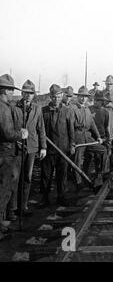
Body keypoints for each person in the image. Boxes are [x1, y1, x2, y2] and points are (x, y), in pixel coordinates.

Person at [7, 80, 46, 219]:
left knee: (27, 178)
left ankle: (23, 206)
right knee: (14, 178)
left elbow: (41, 129)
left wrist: (43, 147)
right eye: (25, 93)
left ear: (34, 95)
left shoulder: (37, 108)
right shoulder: (13, 107)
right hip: (17, 148)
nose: (28, 95)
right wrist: (15, 140)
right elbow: (9, 128)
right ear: (22, 93)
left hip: (32, 147)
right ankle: (12, 210)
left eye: (31, 93)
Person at [0, 74, 28, 240]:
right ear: (5, 91)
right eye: (11, 90)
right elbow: (8, 133)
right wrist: (21, 134)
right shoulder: (3, 108)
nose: (12, 94)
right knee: (3, 190)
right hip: (5, 153)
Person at [40, 84, 75, 207]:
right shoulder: (43, 111)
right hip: (49, 150)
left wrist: (72, 145)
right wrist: (42, 147)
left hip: (63, 149)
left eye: (59, 96)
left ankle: (61, 197)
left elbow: (71, 130)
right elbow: (40, 130)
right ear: (50, 97)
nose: (57, 99)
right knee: (46, 176)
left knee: (62, 175)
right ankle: (45, 199)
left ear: (62, 96)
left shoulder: (67, 111)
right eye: (54, 97)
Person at [71, 86, 103, 192]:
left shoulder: (87, 108)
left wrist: (98, 136)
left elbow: (92, 123)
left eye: (85, 97)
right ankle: (78, 183)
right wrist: (72, 142)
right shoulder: (72, 108)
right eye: (81, 96)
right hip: (78, 136)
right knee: (77, 160)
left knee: (102, 150)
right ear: (78, 96)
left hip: (87, 136)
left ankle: (99, 174)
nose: (83, 99)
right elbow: (70, 126)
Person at [84, 90, 111, 180]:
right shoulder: (89, 109)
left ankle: (101, 173)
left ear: (102, 102)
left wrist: (107, 138)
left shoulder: (105, 112)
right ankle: (84, 175)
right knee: (89, 156)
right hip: (91, 137)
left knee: (101, 155)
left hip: (102, 137)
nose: (96, 102)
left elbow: (106, 126)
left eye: (98, 100)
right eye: (95, 100)